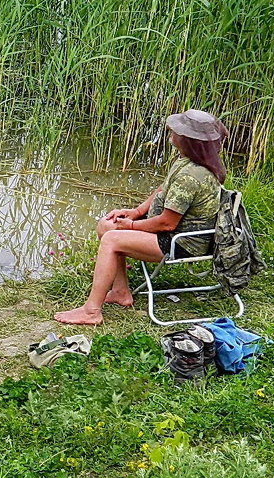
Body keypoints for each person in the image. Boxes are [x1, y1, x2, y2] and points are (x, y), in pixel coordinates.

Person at [54, 109, 228, 326]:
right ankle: (120, 292)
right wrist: (136, 211)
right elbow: (162, 190)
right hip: (173, 233)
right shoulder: (188, 162)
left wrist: (132, 225)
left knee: (111, 239)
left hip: (183, 242)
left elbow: (167, 223)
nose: (170, 132)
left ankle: (91, 312)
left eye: (175, 131)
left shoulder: (190, 176)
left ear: (187, 140)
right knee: (106, 226)